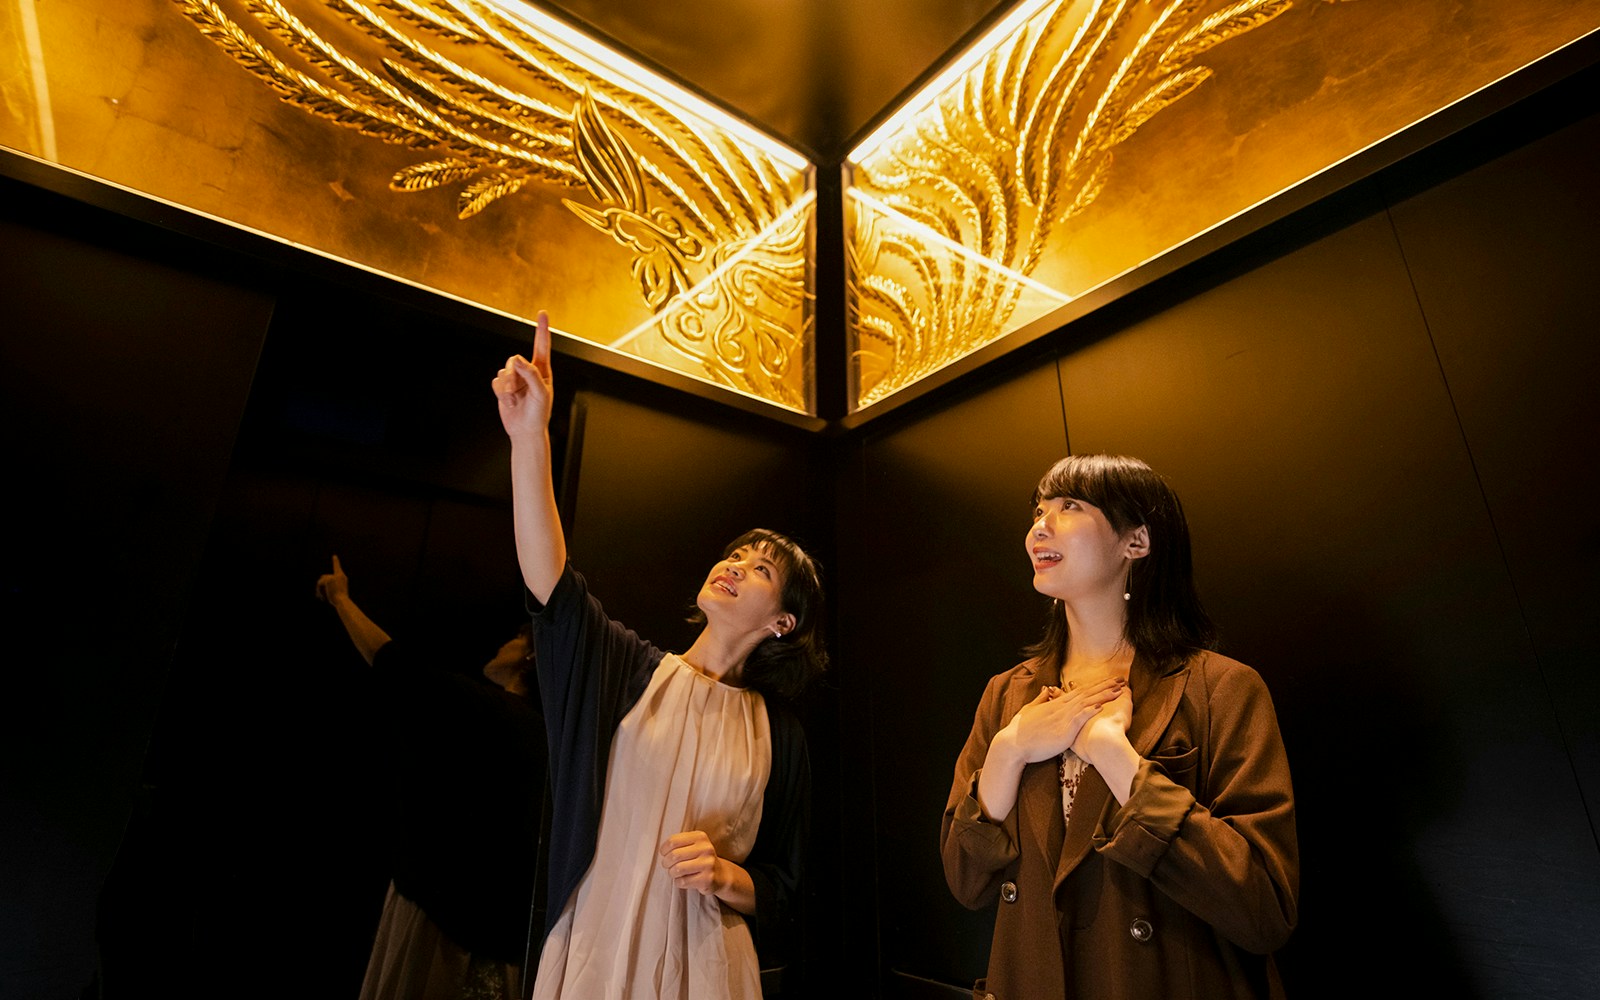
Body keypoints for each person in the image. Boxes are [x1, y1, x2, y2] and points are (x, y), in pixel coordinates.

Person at [492, 312, 826, 1000]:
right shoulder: (627, 668)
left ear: (783, 623)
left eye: (760, 569)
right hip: (596, 946)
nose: (734, 565)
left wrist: (725, 875)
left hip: (709, 965)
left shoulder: (778, 734)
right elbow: (550, 584)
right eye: (735, 554)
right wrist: (530, 438)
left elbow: (787, 889)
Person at [941, 454, 1298, 1000]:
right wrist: (1010, 750)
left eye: (1070, 506)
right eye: (1038, 510)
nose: (1040, 526)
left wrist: (1116, 757)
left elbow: (1264, 908)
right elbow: (966, 882)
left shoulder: (1220, 687)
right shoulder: (1007, 695)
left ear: (1136, 541)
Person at [316, 555, 547, 1000]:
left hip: (446, 925)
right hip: (503, 936)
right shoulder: (543, 737)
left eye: (516, 638)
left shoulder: (491, 710)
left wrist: (342, 599)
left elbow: (392, 664)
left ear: (530, 655)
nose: (503, 643)